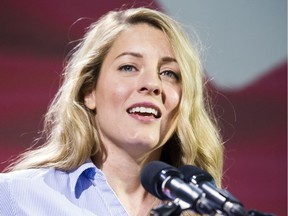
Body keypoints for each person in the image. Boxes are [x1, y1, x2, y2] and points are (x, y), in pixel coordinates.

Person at [0, 7, 223, 216]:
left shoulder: (208, 209)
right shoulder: (15, 197)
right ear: (89, 91)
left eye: (168, 73)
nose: (153, 84)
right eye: (129, 67)